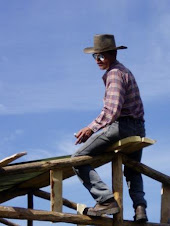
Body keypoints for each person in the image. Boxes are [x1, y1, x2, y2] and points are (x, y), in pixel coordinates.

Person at [72, 34, 148, 222]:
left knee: (78, 159)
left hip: (123, 126)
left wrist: (91, 128)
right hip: (138, 128)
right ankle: (140, 209)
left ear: (113, 53)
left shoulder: (114, 74)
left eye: (102, 56)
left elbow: (111, 111)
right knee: (132, 169)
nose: (98, 60)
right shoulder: (124, 71)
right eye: (95, 56)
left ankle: (105, 200)